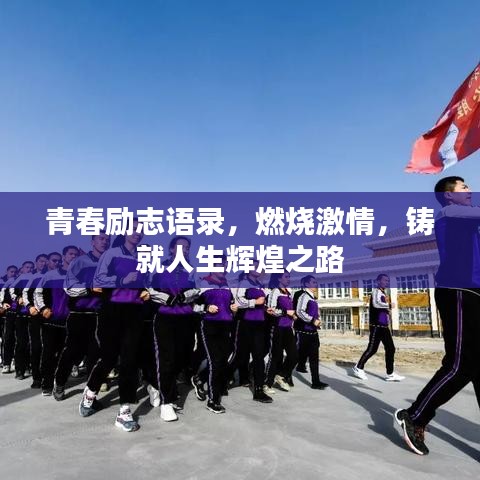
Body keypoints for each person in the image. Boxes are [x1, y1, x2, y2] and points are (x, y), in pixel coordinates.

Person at [394, 176, 480, 455]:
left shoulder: (469, 221)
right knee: (460, 364)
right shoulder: (450, 213)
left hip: (474, 293)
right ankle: (415, 416)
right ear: (448, 195)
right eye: (463, 187)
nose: (470, 190)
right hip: (458, 291)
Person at [352, 274, 405, 382]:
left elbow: (381, 308)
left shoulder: (383, 293)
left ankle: (390, 374)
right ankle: (358, 367)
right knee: (372, 349)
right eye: (384, 280)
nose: (386, 282)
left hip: (384, 326)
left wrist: (387, 313)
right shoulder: (376, 291)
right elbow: (376, 304)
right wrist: (388, 305)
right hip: (376, 326)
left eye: (387, 280)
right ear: (378, 281)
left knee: (390, 348)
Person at [264, 272, 298, 393]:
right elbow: (270, 310)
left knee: (294, 355)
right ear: (279, 278)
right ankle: (267, 384)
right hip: (277, 327)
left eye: (289, 277)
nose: (289, 279)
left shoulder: (288, 293)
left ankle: (280, 375)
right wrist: (285, 312)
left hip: (288, 328)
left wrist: (293, 315)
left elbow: (290, 309)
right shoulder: (275, 292)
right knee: (276, 356)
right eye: (286, 277)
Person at [294, 275, 328, 390]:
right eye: (313, 282)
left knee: (314, 357)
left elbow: (314, 313)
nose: (315, 284)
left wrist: (317, 322)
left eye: (315, 282)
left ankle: (316, 382)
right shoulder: (304, 296)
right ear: (307, 284)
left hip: (313, 332)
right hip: (303, 332)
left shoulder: (312, 297)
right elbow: (299, 311)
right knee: (295, 356)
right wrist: (312, 320)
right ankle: (283, 375)